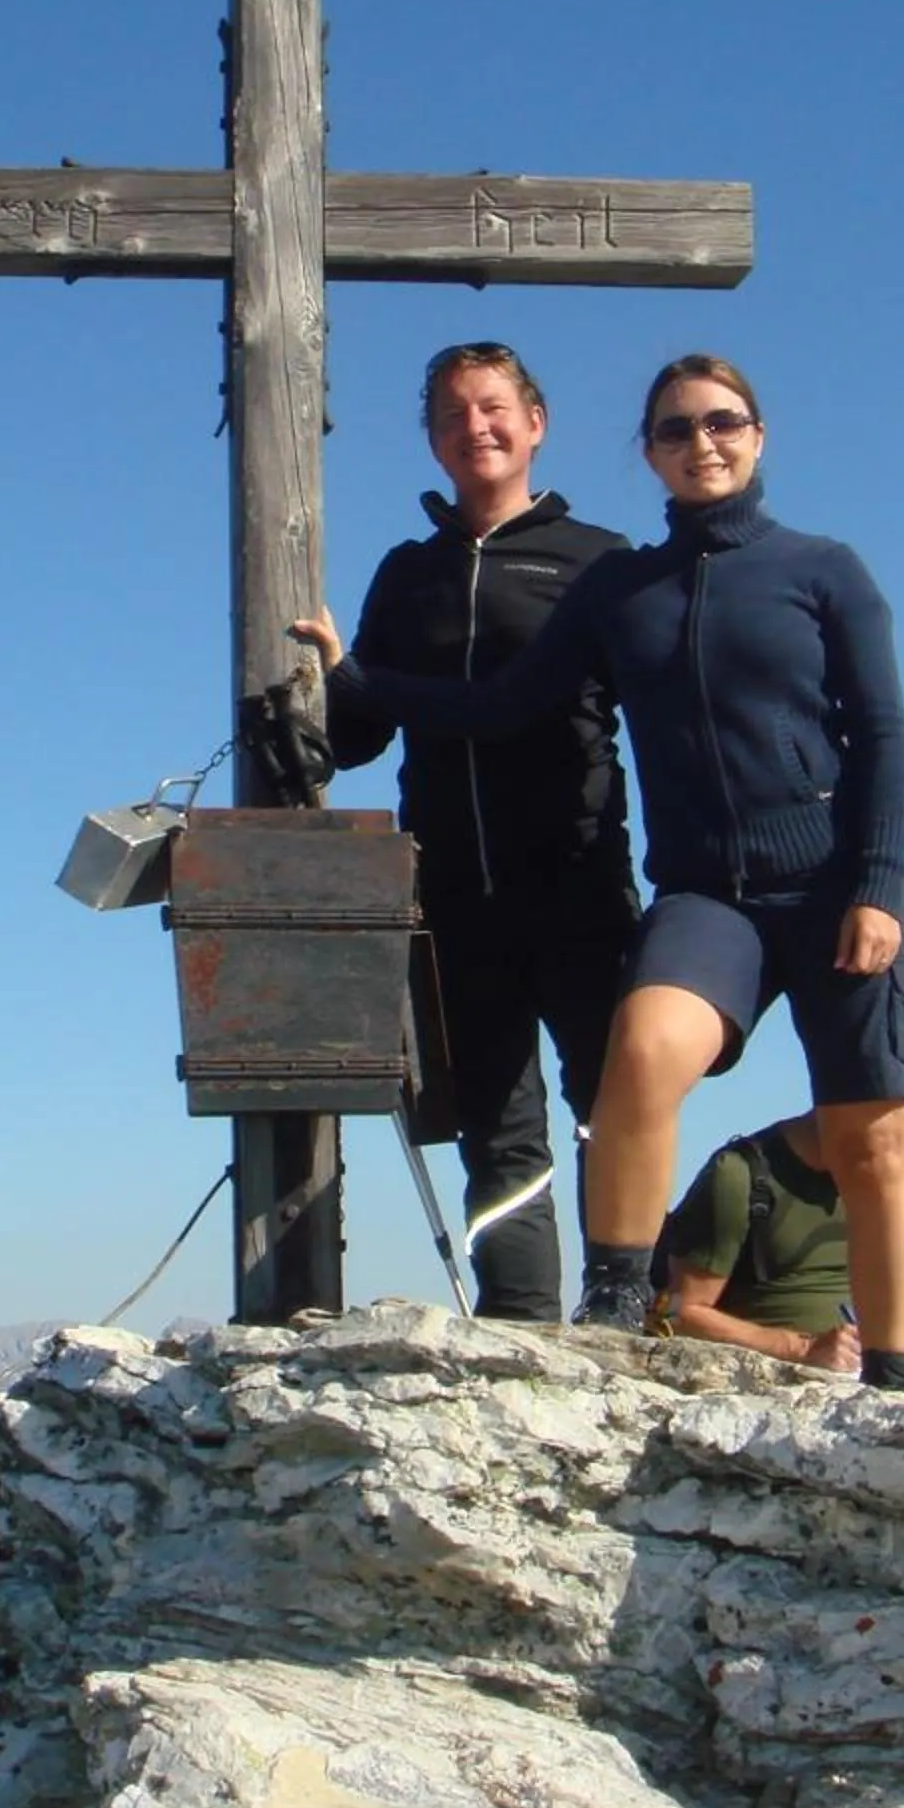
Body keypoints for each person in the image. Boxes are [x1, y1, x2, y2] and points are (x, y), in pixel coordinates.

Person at [299, 354, 904, 1392]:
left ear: (759, 434)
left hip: (825, 885)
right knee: (636, 1058)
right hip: (696, 894)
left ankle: (897, 1375)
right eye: (678, 430)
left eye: (723, 423)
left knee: (870, 1140)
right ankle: (614, 1301)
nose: (704, 444)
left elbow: (886, 737)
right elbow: (506, 703)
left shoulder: (824, 569)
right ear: (647, 451)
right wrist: (353, 680)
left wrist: (874, 885)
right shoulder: (620, 586)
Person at [325, 341, 641, 1322]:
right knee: (496, 1125)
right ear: (431, 440)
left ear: (536, 421)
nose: (477, 428)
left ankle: (631, 1311)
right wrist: (312, 687)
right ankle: (520, 1331)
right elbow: (357, 737)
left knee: (611, 1105)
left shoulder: (600, 562)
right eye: (454, 415)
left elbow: (660, 714)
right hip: (455, 891)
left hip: (578, 879)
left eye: (494, 407)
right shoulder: (406, 574)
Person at [660, 1078, 904, 1372]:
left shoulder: (879, 1187)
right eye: (880, 1139)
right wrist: (800, 1349)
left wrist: (893, 1352)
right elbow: (675, 1313)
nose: (886, 1158)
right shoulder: (740, 1177)